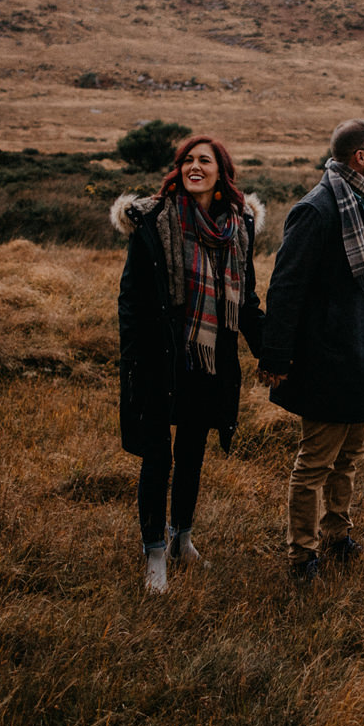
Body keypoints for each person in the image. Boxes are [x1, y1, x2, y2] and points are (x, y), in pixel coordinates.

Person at [113, 135, 265, 593]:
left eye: (204, 161)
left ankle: (182, 540)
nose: (193, 167)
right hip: (162, 355)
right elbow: (130, 299)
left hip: (211, 354)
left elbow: (248, 298)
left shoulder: (238, 226)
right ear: (177, 169)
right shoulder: (154, 221)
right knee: (157, 455)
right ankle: (153, 553)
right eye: (187, 161)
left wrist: (271, 351)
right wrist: (136, 357)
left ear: (222, 172)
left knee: (193, 452)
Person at [258, 118, 364, 582]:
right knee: (315, 464)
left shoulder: (361, 203)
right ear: (360, 156)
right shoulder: (318, 209)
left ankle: (337, 538)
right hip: (328, 359)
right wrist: (276, 359)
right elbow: (284, 288)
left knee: (349, 459)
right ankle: (302, 558)